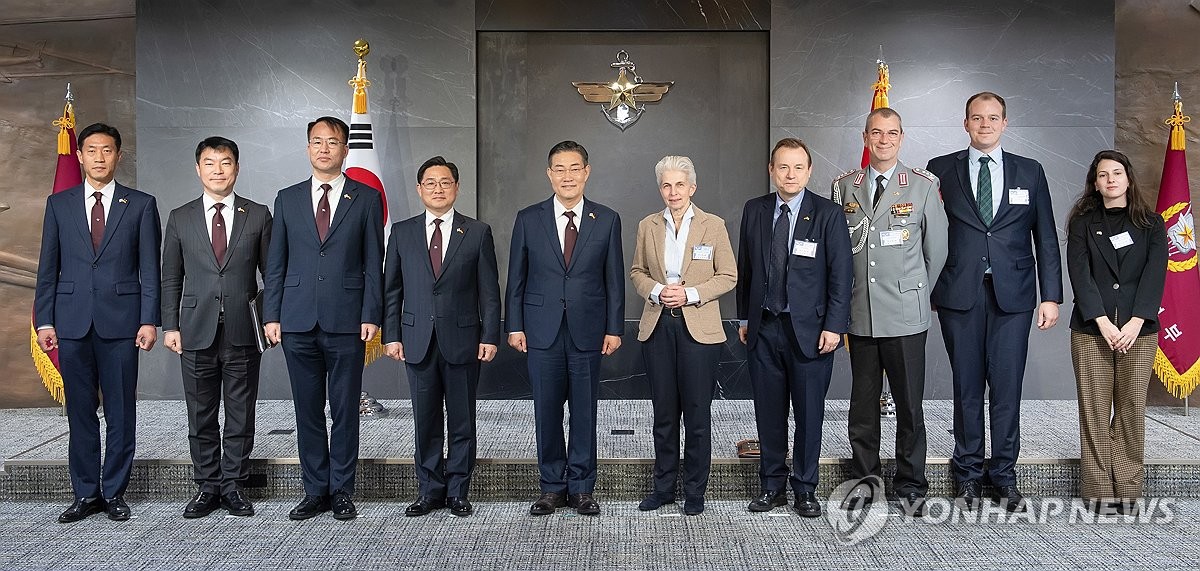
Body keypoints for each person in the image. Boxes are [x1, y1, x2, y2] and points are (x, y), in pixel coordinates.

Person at [926, 92, 1063, 512]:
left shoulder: (1030, 170)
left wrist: (1051, 296)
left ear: (1005, 122)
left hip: (1015, 296)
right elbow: (923, 231)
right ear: (965, 123)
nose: (985, 124)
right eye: (976, 118)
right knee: (966, 387)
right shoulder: (939, 170)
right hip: (959, 294)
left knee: (1006, 388)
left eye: (993, 118)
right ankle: (966, 472)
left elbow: (1046, 236)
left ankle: (1004, 474)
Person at [35, 122, 161, 523]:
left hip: (123, 324)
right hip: (70, 324)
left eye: (107, 150)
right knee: (80, 412)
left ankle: (115, 492)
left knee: (122, 411)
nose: (99, 157)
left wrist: (149, 320)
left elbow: (150, 271)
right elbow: (47, 268)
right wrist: (44, 321)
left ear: (118, 156)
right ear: (80, 156)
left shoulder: (140, 205)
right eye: (92, 150)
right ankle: (86, 493)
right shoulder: (59, 204)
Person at [262, 116, 384, 521]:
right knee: (307, 409)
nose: (324, 148)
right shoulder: (287, 198)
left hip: (348, 319)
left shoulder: (365, 198)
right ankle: (315, 490)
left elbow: (373, 264)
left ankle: (342, 489)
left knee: (346, 408)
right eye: (317, 141)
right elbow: (275, 263)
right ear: (308, 148)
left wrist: (371, 312)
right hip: (296, 320)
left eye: (333, 142)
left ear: (346, 149)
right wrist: (272, 314)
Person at [831, 108, 948, 517]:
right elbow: (837, 254)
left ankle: (912, 484)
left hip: (905, 314)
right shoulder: (844, 187)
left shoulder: (921, 186)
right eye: (876, 133)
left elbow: (937, 252)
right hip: (860, 313)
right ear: (865, 137)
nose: (883, 140)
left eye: (891, 133)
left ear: (902, 137)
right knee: (862, 407)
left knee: (910, 406)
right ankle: (865, 482)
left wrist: (914, 294)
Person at [506, 140, 625, 516]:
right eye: (560, 168)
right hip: (540, 330)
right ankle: (551, 487)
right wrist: (514, 326)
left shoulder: (606, 219)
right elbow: (516, 279)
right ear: (549, 174)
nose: (567, 176)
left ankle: (582, 488)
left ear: (587, 172)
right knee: (546, 411)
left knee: (585, 411)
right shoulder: (529, 217)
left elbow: (614, 280)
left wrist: (614, 328)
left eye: (575, 168)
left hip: (589, 331)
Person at [736, 137, 853, 517]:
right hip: (764, 328)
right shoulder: (755, 209)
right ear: (771, 170)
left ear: (809, 170)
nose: (790, 174)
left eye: (798, 167)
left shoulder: (828, 214)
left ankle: (805, 488)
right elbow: (746, 269)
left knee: (808, 414)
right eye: (782, 167)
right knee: (768, 414)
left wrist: (835, 326)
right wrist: (745, 318)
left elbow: (841, 275)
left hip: (811, 332)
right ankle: (772, 487)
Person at [383, 156, 501, 518]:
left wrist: (490, 335)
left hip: (464, 340)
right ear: (419, 189)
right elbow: (392, 290)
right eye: (430, 183)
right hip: (416, 339)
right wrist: (392, 335)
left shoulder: (477, 232)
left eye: (445, 182)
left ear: (456, 188)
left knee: (462, 420)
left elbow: (490, 292)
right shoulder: (402, 232)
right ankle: (429, 490)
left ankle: (458, 490)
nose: (438, 188)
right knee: (426, 420)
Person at [161, 136, 272, 518]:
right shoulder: (180, 216)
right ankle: (207, 486)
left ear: (237, 168)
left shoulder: (257, 215)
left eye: (226, 162)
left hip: (243, 327)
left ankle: (234, 485)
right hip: (193, 328)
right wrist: (169, 325)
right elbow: (170, 277)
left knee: (241, 411)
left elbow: (271, 274)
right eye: (210, 163)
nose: (218, 170)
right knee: (201, 412)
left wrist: (270, 318)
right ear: (198, 169)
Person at [629, 155, 737, 516]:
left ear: (692, 187)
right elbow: (637, 271)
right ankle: (663, 488)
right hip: (658, 325)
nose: (672, 192)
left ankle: (695, 491)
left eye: (679, 185)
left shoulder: (713, 225)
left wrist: (690, 294)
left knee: (696, 413)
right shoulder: (647, 225)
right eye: (666, 185)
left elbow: (728, 275)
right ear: (660, 188)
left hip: (699, 328)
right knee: (664, 413)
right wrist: (658, 290)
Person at [1066, 150, 1166, 515]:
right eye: (1103, 174)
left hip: (1139, 332)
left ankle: (1127, 485)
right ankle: (1096, 488)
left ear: (1128, 179)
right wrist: (1104, 322)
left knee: (1131, 407)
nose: (1110, 180)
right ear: (1095, 182)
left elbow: (1155, 277)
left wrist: (1136, 321)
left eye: (1117, 173)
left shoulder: (1152, 224)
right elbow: (1081, 276)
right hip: (1093, 330)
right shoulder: (1082, 223)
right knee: (1093, 408)